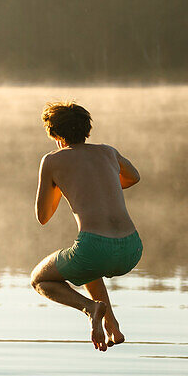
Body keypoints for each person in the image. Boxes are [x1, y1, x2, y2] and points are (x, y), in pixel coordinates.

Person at [29, 102, 142, 351]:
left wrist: (62, 186)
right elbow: (134, 177)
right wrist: (104, 185)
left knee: (39, 280)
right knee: (89, 267)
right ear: (86, 130)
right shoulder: (108, 152)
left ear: (56, 135)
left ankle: (91, 309)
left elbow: (43, 216)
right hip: (132, 247)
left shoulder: (52, 160)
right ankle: (113, 327)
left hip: (95, 248)